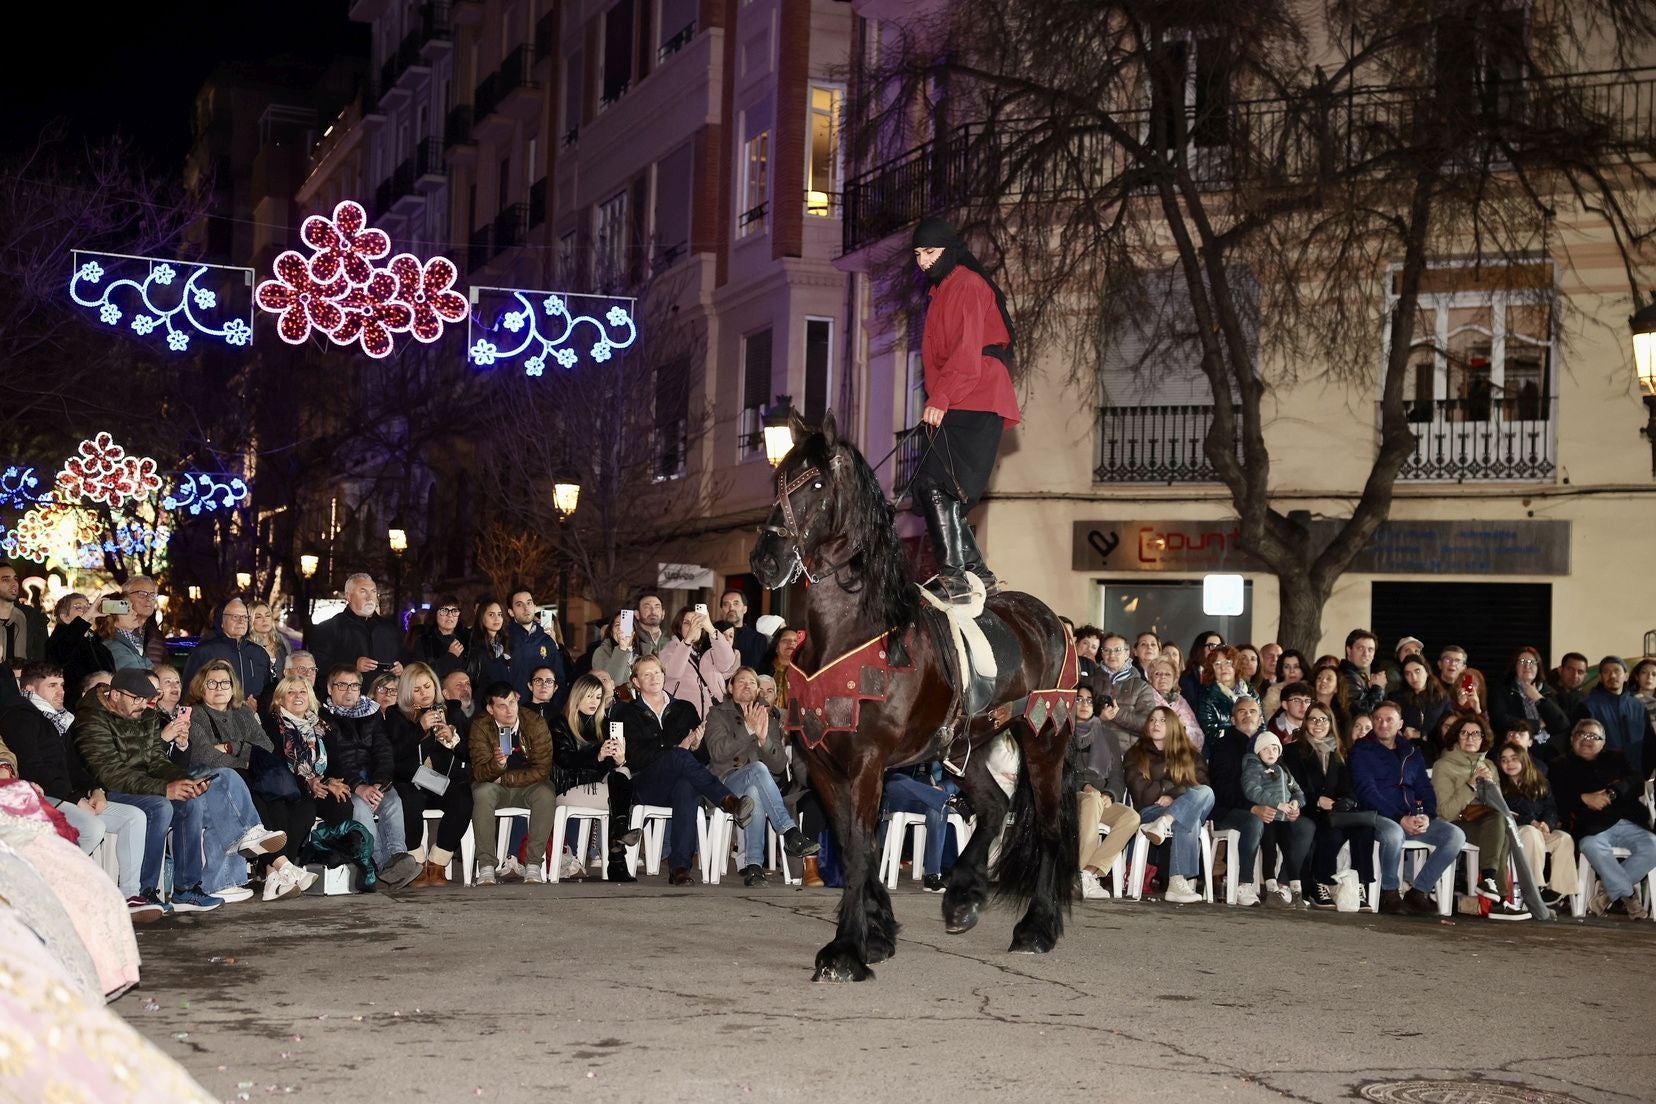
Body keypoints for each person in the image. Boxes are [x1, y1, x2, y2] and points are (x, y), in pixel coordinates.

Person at [73, 668, 287, 913]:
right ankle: (146, 892)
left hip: (143, 785)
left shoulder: (146, 715)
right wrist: (165, 788)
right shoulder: (91, 717)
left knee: (190, 800)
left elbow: (156, 761)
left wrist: (184, 781)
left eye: (146, 700)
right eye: (136, 699)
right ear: (114, 694)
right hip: (107, 789)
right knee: (161, 806)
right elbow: (108, 773)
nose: (142, 705)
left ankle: (187, 889)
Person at [908, 216, 1022, 601]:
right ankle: (976, 574)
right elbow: (935, 359)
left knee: (938, 487)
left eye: (930, 252)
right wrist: (936, 396)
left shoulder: (969, 286)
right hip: (960, 393)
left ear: (949, 250)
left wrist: (941, 398)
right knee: (933, 487)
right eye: (918, 254)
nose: (923, 261)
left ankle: (955, 577)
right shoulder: (940, 292)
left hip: (977, 392)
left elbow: (967, 351)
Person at [2, 662, 155, 919]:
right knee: (90, 827)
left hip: (69, 796)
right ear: (29, 688)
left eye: (61, 685)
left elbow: (77, 767)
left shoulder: (61, 720)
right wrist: (74, 798)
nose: (60, 691)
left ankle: (129, 895)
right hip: (42, 795)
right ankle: (52, 890)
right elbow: (33, 768)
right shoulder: (20, 716)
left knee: (134, 817)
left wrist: (96, 790)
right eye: (51, 686)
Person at [611, 655, 753, 885]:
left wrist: (695, 745)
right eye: (646, 674)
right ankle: (727, 800)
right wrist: (676, 749)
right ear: (636, 682)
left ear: (664, 675)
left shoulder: (684, 708)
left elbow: (703, 756)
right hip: (646, 783)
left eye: (657, 672)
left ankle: (679, 868)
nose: (654, 678)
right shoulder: (626, 713)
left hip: (678, 783)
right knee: (678, 756)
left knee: (687, 786)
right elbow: (633, 757)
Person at [182, 660, 315, 901]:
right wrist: (245, 757)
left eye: (225, 682)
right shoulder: (195, 715)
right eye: (212, 683)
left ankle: (274, 874)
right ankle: (282, 867)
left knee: (288, 805)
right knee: (260, 803)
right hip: (214, 783)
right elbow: (204, 755)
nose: (219, 687)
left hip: (251, 778)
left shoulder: (242, 712)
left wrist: (232, 747)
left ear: (233, 688)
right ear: (201, 688)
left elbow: (265, 746)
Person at [1349, 700, 1466, 916]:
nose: (1383, 724)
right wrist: (1400, 818)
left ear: (1400, 723)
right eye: (1378, 719)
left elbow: (1424, 788)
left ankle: (1418, 892)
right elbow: (1366, 792)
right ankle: (1389, 893)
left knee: (1455, 836)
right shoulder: (1362, 750)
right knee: (1393, 834)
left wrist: (1427, 816)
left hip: (1412, 816)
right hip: (1377, 815)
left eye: (1389, 719)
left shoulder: (1411, 752)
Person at [703, 666, 819, 885]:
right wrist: (747, 730)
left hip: (756, 786)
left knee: (754, 792)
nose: (747, 686)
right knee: (758, 770)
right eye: (741, 682)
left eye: (752, 683)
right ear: (730, 687)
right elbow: (717, 754)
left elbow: (779, 765)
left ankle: (754, 867)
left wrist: (765, 741)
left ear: (758, 689)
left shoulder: (766, 717)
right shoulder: (717, 713)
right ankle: (789, 831)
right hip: (726, 784)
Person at [320, 665, 421, 889]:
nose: (349, 691)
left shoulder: (371, 713)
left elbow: (383, 751)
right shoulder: (322, 716)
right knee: (361, 808)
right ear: (330, 688)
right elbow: (335, 759)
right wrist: (359, 787)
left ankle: (398, 856)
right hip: (342, 783)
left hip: (373, 779)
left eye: (354, 686)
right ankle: (378, 864)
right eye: (342, 685)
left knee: (393, 801)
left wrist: (379, 782)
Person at [1284, 701, 1393, 911]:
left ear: (1330, 723)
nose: (1318, 723)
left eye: (1323, 719)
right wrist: (1317, 799)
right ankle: (1320, 883)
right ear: (1305, 722)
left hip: (1337, 811)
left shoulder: (1340, 751)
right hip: (1308, 809)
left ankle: (1359, 885)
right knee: (1330, 833)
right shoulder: (1293, 751)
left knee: (1364, 829)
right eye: (1313, 719)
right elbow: (1292, 785)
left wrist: (1346, 801)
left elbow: (1348, 786)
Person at [1207, 696, 1308, 907]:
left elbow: (1286, 782)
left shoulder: (1270, 745)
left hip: (1273, 809)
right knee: (1254, 822)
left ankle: (1283, 887)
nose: (1247, 715)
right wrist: (1252, 807)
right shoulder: (1223, 746)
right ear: (1233, 720)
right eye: (1242, 711)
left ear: (1260, 717)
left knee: (1305, 827)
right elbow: (1222, 788)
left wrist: (1293, 806)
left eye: (1252, 711)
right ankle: (1245, 884)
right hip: (1230, 810)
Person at [1549, 719, 1655, 919]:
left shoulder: (1617, 758)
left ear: (1603, 742)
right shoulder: (1560, 764)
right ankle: (1629, 895)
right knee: (1591, 846)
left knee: (1654, 846)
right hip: (1592, 825)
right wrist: (1582, 798)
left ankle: (1607, 893)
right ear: (1572, 739)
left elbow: (1636, 782)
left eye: (1594, 736)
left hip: (1629, 819)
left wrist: (1612, 793)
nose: (1587, 740)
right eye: (1582, 734)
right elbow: (1556, 796)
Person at [1431, 715, 1529, 919]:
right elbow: (1446, 812)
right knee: (1499, 825)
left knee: (1502, 822)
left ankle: (1493, 889)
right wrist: (1471, 785)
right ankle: (1498, 897)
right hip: (1455, 823)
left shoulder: (1490, 766)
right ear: (1456, 737)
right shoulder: (1444, 765)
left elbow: (1497, 803)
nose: (1470, 738)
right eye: (1464, 733)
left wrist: (1492, 790)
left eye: (1476, 734)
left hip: (1487, 822)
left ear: (1483, 738)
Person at [385, 662, 472, 888]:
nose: (425, 693)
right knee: (409, 802)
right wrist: (419, 729)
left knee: (462, 798)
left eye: (428, 686)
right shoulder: (396, 715)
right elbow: (393, 756)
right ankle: (416, 865)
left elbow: (470, 753)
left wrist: (453, 740)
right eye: (417, 689)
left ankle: (437, 863)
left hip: (441, 781)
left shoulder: (451, 710)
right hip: (410, 781)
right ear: (407, 692)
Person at [550, 672, 639, 882]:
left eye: (598, 697)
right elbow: (564, 760)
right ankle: (617, 853)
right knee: (622, 794)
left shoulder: (607, 724)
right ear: (577, 696)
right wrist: (597, 754)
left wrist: (619, 759)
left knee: (623, 772)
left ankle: (617, 843)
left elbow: (613, 768)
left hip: (601, 786)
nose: (594, 702)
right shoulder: (559, 723)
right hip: (570, 785)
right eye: (589, 696)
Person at [467, 681, 557, 885]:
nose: (509, 710)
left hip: (528, 787)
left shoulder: (535, 722)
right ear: (490, 709)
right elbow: (480, 771)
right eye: (501, 706)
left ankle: (533, 865)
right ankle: (487, 867)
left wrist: (505, 777)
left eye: (512, 702)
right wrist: (497, 765)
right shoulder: (481, 726)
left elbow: (543, 769)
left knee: (545, 793)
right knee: (482, 792)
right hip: (494, 787)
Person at [1125, 705, 1214, 904]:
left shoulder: (1191, 755)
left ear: (1173, 725)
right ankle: (1177, 881)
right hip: (1151, 812)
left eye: (1163, 720)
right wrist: (1173, 790)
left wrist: (1173, 799)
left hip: (1173, 813)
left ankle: (1167, 820)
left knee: (1205, 793)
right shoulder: (1136, 754)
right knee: (1188, 817)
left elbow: (1201, 787)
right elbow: (1142, 793)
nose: (1156, 724)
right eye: (1152, 720)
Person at [1071, 685, 1141, 899]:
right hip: (1071, 797)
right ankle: (1079, 876)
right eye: (1079, 699)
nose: (1084, 704)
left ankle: (1087, 874)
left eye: (1089, 700)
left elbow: (1118, 776)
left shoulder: (1107, 736)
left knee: (1131, 817)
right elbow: (1058, 773)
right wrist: (1084, 787)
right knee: (1091, 800)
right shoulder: (1062, 732)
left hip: (1100, 799)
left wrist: (1110, 794)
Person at [1495, 741, 1576, 912]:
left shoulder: (1540, 782)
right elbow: (1504, 812)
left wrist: (1547, 823)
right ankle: (1535, 886)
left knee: (1563, 838)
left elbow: (1551, 807)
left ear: (1523, 759)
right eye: (1504, 760)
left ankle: (1557, 889)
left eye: (1513, 759)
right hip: (1514, 832)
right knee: (1531, 833)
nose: (1509, 764)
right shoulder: (1499, 785)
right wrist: (1532, 822)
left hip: (1539, 832)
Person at [1241, 730, 1314, 907]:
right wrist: (1278, 803)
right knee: (1270, 852)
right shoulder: (1253, 768)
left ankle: (1296, 891)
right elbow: (1252, 790)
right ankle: (1272, 890)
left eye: (1275, 748)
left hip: (1284, 819)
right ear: (1258, 752)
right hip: (1268, 818)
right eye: (1266, 749)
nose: (1271, 752)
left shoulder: (1284, 770)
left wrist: (1296, 803)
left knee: (1290, 852)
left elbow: (1298, 791)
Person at [306, 573, 403, 689]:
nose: (370, 597)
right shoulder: (328, 629)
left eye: (373, 591)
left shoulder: (390, 629)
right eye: (363, 592)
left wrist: (401, 669)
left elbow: (405, 659)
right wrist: (352, 665)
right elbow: (318, 666)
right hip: (346, 701)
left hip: (385, 700)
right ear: (348, 596)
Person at [1487, 647, 1570, 765]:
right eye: (1522, 662)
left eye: (1532, 662)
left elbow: (1561, 724)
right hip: (1513, 752)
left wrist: (1537, 697)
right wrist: (1537, 724)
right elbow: (1500, 721)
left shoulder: (1548, 691)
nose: (1527, 666)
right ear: (1515, 666)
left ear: (1538, 667)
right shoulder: (1502, 690)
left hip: (1545, 753)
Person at [1571, 656, 1648, 779]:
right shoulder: (1587, 706)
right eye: (1606, 672)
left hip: (1635, 777)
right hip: (1599, 777)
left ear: (1626, 676)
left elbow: (1648, 743)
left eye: (1617, 671)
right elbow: (1577, 746)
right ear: (1600, 678)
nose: (1612, 676)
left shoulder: (1638, 706)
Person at [183, 598, 270, 705]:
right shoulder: (205, 652)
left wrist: (258, 706)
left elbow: (267, 693)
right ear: (221, 622)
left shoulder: (259, 653)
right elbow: (189, 694)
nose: (241, 621)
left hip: (253, 719)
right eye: (235, 617)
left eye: (244, 617)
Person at [659, 605, 737, 720]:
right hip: (684, 719)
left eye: (697, 623)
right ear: (679, 627)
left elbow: (727, 663)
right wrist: (687, 641)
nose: (693, 627)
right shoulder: (669, 650)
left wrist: (710, 628)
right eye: (687, 623)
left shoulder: (710, 650)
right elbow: (673, 672)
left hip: (714, 718)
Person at [1093, 632, 1159, 756]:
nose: (1112, 654)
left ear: (1127, 653)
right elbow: (1076, 717)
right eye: (1107, 650)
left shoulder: (1141, 686)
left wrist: (1117, 714)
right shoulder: (1089, 682)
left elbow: (1148, 723)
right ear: (1101, 654)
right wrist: (1098, 718)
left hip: (1129, 756)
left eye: (1118, 650)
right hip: (1094, 753)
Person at [46, 592, 114, 701]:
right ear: (65, 617)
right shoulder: (58, 641)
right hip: (76, 707)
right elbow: (61, 654)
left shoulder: (99, 645)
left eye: (89, 606)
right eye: (78, 607)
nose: (87, 610)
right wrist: (85, 618)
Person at [1195, 645, 1259, 751]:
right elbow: (1210, 735)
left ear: (1236, 665)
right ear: (1212, 670)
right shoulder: (1206, 696)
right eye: (1217, 664)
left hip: (1253, 749)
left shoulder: (1251, 693)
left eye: (1228, 662)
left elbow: (1262, 725)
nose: (1223, 668)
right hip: (1222, 752)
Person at [506, 587, 563, 700]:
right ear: (511, 612)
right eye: (519, 604)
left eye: (529, 603)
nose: (526, 608)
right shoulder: (505, 639)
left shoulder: (547, 639)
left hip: (543, 708)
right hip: (514, 709)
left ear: (534, 606)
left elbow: (559, 677)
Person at [1389, 654, 1450, 745]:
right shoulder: (1397, 698)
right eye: (1408, 673)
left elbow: (1448, 729)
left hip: (1435, 749)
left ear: (1427, 671)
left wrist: (1421, 734)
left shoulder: (1442, 698)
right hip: (1405, 748)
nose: (1413, 677)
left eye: (1417, 671)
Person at [407, 596, 468, 679]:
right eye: (444, 610)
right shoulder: (424, 642)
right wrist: (451, 657)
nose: (450, 615)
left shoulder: (467, 640)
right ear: (434, 614)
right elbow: (421, 675)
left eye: (454, 611)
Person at [1144, 655, 1200, 744]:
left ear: (1174, 680)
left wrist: (1183, 728)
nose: (1163, 677)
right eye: (1157, 674)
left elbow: (1198, 736)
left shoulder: (1181, 701)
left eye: (1168, 674)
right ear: (1150, 679)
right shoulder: (1144, 699)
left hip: (1179, 753)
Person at [0, 560, 47, 663]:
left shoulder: (33, 617)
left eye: (15, 578)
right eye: (6, 580)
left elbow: (41, 657)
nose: (14, 584)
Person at [463, 597, 513, 691]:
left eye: (499, 614)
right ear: (481, 617)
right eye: (491, 615)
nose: (497, 619)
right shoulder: (476, 648)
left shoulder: (505, 644)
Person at [1337, 630, 1388, 717]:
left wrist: (1371, 689)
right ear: (1349, 650)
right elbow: (1362, 714)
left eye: (1370, 650)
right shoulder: (1347, 676)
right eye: (1361, 648)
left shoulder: (1356, 675)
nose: (1366, 654)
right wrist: (1378, 688)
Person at [94, 594, 151, 672]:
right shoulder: (113, 647)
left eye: (132, 608)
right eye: (126, 610)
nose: (135, 613)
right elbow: (136, 679)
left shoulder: (133, 642)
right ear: (110, 617)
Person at [721, 589, 770, 671]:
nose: (731, 608)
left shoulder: (759, 640)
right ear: (722, 610)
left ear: (745, 609)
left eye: (736, 604)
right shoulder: (711, 637)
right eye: (726, 604)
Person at [245, 600, 289, 687]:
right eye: (258, 617)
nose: (264, 620)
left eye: (268, 615)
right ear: (250, 620)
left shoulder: (282, 641)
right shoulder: (246, 646)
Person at [1259, 649, 1308, 718]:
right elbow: (1269, 717)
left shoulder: (1313, 689)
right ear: (1281, 671)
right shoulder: (1274, 690)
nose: (1292, 671)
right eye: (1287, 667)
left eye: (1296, 667)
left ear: (1303, 669)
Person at [1179, 630, 1223, 704]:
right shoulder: (1188, 676)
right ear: (1200, 649)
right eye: (1212, 646)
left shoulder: (1226, 672)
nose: (1216, 650)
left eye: (1219, 646)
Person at [764, 627, 800, 710]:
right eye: (785, 640)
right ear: (776, 647)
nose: (791, 643)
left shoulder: (806, 673)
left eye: (795, 641)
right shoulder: (763, 670)